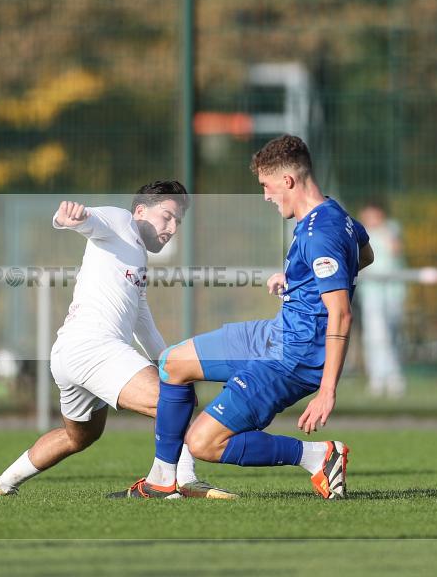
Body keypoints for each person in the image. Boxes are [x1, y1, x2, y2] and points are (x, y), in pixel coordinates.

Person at [110, 135, 373, 500]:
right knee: (173, 362)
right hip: (276, 333)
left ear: (288, 181)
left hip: (292, 359)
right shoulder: (334, 215)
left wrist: (327, 391)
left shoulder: (320, 235)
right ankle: (161, 480)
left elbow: (341, 314)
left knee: (204, 443)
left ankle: (318, 456)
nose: (265, 196)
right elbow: (365, 254)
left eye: (266, 186)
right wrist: (303, 278)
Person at [0, 182, 235, 499]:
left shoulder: (137, 256)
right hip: (92, 348)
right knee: (172, 401)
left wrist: (171, 364)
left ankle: (0, 484)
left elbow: (142, 320)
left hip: (70, 353)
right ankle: (181, 480)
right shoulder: (121, 221)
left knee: (78, 437)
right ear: (141, 210)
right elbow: (91, 221)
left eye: (177, 222)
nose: (171, 228)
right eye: (167, 216)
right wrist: (69, 217)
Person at [357, 202, 406, 398]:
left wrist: (383, 230)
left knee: (391, 335)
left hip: (392, 292)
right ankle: (384, 378)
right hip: (371, 293)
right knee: (376, 336)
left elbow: (396, 250)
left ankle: (390, 376)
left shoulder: (391, 229)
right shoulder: (361, 234)